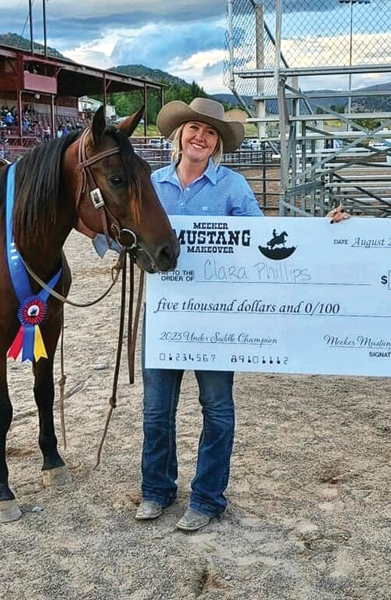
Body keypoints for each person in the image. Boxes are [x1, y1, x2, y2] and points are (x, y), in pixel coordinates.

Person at [135, 98, 264, 532]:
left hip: (215, 317)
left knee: (217, 408)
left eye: (210, 132)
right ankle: (156, 489)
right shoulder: (150, 183)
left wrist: (326, 231)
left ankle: (207, 497)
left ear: (217, 142)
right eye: (194, 128)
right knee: (156, 410)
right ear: (180, 133)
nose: (200, 137)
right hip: (166, 313)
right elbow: (126, 232)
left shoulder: (233, 187)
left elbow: (263, 239)